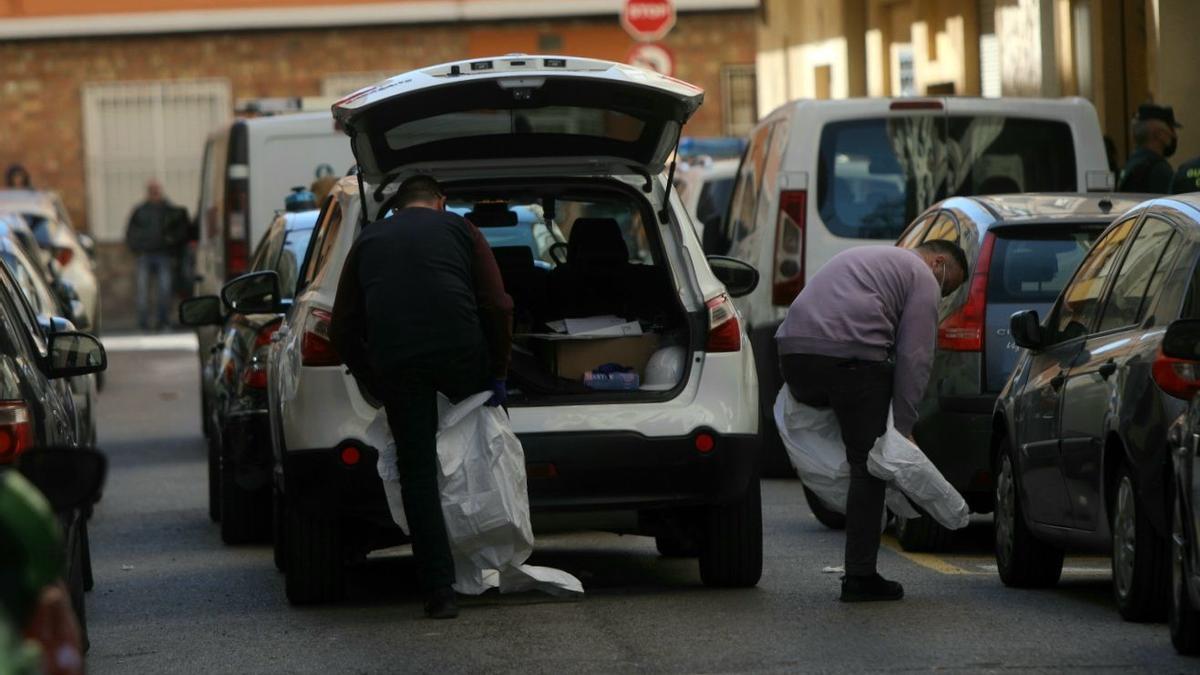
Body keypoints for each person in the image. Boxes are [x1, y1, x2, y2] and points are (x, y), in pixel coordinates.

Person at [330, 175, 512, 620]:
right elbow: (499, 306)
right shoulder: (461, 230)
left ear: (396, 209)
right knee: (478, 449)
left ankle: (439, 590)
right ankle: (488, 564)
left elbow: (342, 326)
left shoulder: (369, 239)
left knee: (418, 471)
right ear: (441, 203)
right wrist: (496, 374)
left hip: (399, 361)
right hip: (461, 355)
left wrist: (373, 378)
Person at [775, 239, 967, 602]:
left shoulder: (871, 257)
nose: (941, 295)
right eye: (948, 286)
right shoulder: (922, 277)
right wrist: (902, 428)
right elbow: (916, 357)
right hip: (850, 359)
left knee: (850, 437)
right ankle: (860, 576)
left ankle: (849, 512)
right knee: (872, 462)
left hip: (794, 357)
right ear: (938, 262)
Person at [125, 180, 187, 331]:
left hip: (164, 255)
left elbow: (179, 230)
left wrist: (172, 247)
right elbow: (130, 232)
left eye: (157, 190)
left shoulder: (170, 209)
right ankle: (143, 324)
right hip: (144, 255)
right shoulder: (140, 210)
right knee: (142, 293)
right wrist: (137, 248)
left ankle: (163, 322)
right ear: (147, 192)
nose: (155, 193)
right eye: (152, 190)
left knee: (164, 291)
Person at [1118, 103, 1181, 194]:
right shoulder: (1159, 169)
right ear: (1159, 134)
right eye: (1171, 129)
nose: (1174, 135)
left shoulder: (1130, 164)